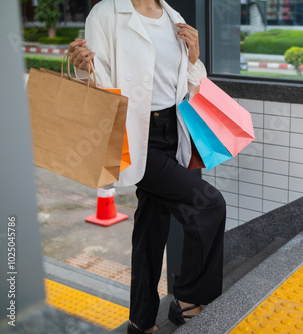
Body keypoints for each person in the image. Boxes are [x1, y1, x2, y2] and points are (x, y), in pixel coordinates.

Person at [67, 0, 226, 333]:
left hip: (174, 128)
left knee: (151, 230)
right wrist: (83, 67)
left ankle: (140, 322)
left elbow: (189, 82)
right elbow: (101, 84)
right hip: (137, 134)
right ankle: (187, 299)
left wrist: (194, 59)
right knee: (209, 203)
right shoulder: (106, 14)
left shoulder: (173, 17)